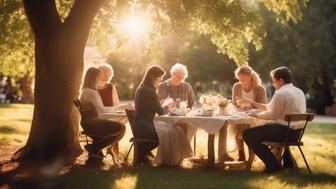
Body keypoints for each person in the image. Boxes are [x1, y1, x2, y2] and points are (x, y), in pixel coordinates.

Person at [241, 66, 306, 173]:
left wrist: (255, 114)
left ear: (280, 80)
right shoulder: (299, 92)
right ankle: (288, 164)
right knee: (264, 128)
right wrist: (252, 104)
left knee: (247, 134)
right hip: (296, 133)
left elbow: (271, 116)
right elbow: (270, 107)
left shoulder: (280, 93)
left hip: (283, 132)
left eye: (274, 81)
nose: (273, 84)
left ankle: (273, 164)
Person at [134, 65, 192, 165]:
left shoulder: (141, 88)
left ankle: (173, 158)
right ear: (153, 77)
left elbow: (150, 107)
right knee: (176, 131)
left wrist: (159, 104)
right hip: (146, 127)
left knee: (176, 130)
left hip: (139, 125)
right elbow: (161, 112)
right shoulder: (150, 91)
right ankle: (172, 160)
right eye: (160, 77)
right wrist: (169, 106)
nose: (161, 80)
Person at [79, 67, 126, 160]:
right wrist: (121, 108)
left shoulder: (85, 91)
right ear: (94, 78)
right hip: (91, 123)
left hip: (87, 123)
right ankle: (95, 148)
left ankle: (95, 149)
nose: (100, 79)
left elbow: (101, 111)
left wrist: (120, 109)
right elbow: (103, 111)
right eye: (99, 76)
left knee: (118, 126)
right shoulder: (92, 92)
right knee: (121, 128)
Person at [231, 65, 267, 161]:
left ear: (250, 76)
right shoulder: (237, 86)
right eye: (239, 78)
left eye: (243, 78)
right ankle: (241, 153)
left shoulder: (260, 89)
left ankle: (251, 153)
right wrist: (241, 106)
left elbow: (263, 107)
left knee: (246, 125)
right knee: (237, 123)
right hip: (241, 114)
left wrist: (250, 106)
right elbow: (234, 104)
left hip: (256, 116)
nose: (241, 81)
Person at [97, 63, 131, 157]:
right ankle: (104, 148)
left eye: (109, 74)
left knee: (120, 122)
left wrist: (121, 109)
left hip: (110, 113)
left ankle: (113, 152)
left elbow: (116, 103)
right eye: (105, 73)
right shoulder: (93, 87)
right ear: (99, 74)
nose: (108, 76)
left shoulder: (111, 86)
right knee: (115, 126)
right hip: (99, 115)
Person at [158, 63, 197, 141]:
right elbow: (157, 107)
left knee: (193, 126)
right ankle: (179, 148)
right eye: (178, 77)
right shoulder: (162, 86)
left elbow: (193, 105)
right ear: (172, 74)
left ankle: (184, 147)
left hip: (183, 119)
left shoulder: (187, 87)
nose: (180, 79)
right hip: (166, 120)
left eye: (182, 78)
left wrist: (189, 111)